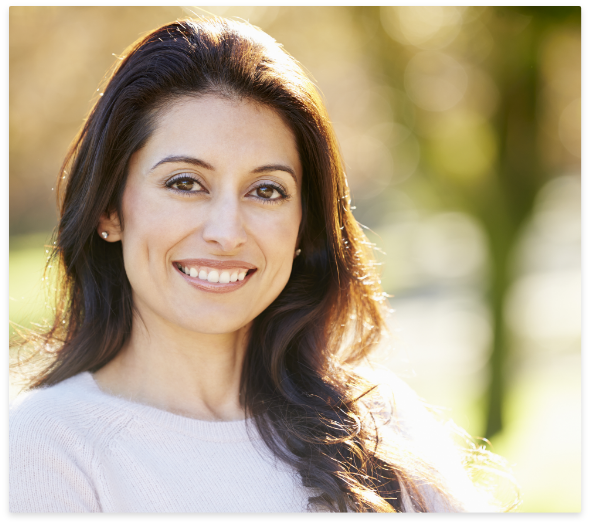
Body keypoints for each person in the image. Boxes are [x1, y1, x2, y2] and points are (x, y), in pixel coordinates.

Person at [9, 17, 515, 513]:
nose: (227, 232)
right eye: (185, 183)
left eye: (266, 191)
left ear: (303, 227)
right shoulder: (47, 448)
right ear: (110, 208)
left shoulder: (380, 421)